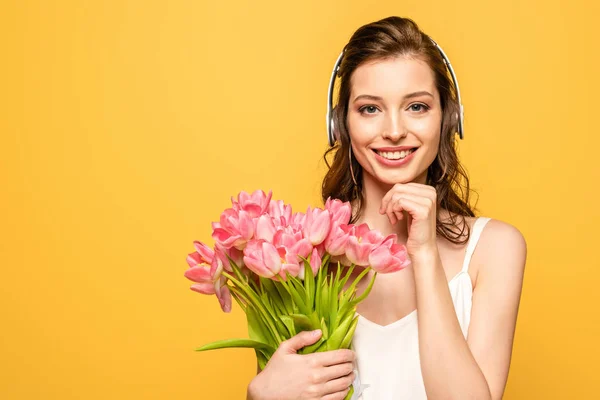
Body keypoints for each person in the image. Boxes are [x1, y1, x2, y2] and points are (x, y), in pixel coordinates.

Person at [247, 16, 526, 400]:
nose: (394, 130)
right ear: (339, 125)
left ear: (449, 118)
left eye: (416, 106)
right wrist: (260, 397)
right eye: (370, 109)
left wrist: (424, 251)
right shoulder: (298, 255)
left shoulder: (494, 249)